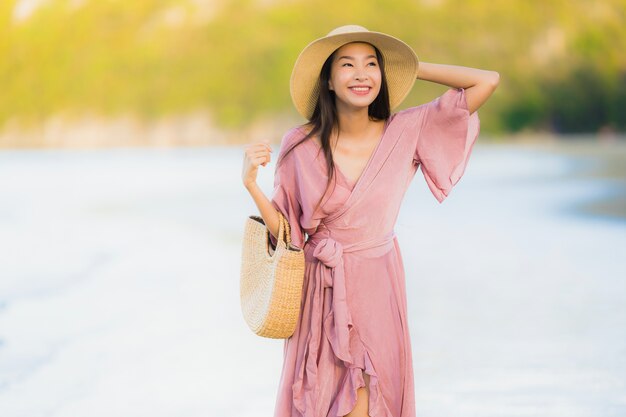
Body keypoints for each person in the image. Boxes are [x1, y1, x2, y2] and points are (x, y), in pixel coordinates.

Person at [242, 25, 499, 417]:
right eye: (347, 64)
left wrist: (411, 67)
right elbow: (288, 234)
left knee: (373, 400)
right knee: (320, 400)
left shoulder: (407, 130)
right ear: (328, 79)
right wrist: (251, 185)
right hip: (321, 290)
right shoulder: (300, 144)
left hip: (378, 285)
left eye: (372, 64)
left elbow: (486, 81)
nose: (361, 74)